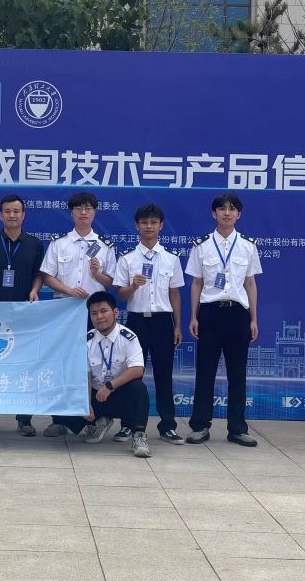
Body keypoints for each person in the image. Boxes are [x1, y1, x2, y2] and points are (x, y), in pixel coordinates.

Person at [184, 192, 262, 447]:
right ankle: (200, 426)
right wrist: (193, 316)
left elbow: (250, 284)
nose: (227, 213)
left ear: (239, 214)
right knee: (205, 371)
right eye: (222, 209)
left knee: (237, 373)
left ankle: (237, 428)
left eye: (232, 209)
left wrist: (253, 319)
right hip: (210, 313)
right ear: (213, 213)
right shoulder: (202, 245)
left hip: (238, 313)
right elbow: (196, 283)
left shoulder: (248, 246)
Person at [109, 204, 186, 444]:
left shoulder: (171, 258)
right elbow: (121, 295)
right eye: (144, 223)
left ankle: (168, 426)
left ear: (161, 226)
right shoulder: (127, 258)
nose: (149, 227)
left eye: (153, 222)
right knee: (131, 375)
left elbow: (175, 294)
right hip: (136, 322)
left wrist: (177, 325)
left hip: (163, 322)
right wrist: (133, 286)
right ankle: (128, 425)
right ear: (137, 226)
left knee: (164, 375)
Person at [0, 194, 45, 436]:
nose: (12, 215)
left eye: (16, 211)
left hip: (24, 314)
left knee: (24, 367)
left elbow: (39, 274)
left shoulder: (34, 244)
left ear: (23, 215)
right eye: (7, 211)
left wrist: (35, 291)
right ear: (0, 215)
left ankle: (24, 419)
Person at [51, 292, 152, 458]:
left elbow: (137, 369)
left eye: (104, 311)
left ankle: (139, 436)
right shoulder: (86, 340)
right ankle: (95, 425)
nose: (99, 316)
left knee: (139, 388)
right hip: (96, 396)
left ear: (115, 312)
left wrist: (110, 386)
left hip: (118, 394)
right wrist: (85, 403)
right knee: (60, 399)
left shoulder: (128, 337)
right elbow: (85, 374)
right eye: (94, 313)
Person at [40, 192, 117, 301]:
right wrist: (70, 291)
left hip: (95, 305)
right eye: (78, 208)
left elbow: (113, 283)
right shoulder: (58, 243)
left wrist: (96, 274)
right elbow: (47, 277)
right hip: (64, 303)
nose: (83, 212)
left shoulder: (105, 245)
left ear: (94, 212)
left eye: (88, 208)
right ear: (71, 213)